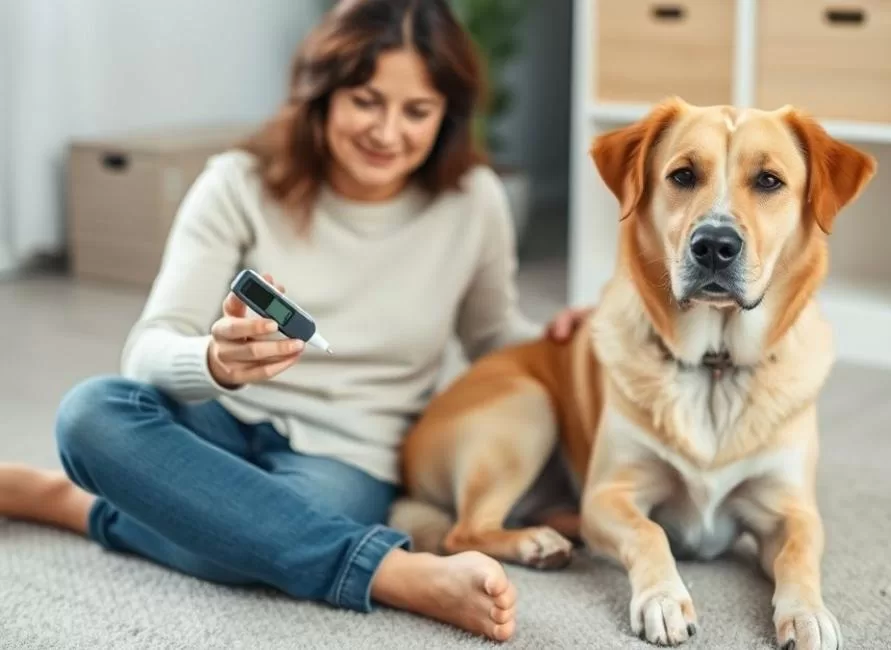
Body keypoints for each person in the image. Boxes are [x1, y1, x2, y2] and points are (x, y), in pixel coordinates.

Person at [0, 0, 590, 642]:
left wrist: (580, 343)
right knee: (90, 415)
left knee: (254, 539)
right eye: (366, 100)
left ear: (447, 115)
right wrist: (214, 362)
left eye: (417, 111)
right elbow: (146, 349)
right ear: (322, 92)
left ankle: (66, 501)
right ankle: (392, 572)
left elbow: (491, 334)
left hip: (347, 456)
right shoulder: (236, 184)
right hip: (214, 421)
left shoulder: (473, 202)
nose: (388, 133)